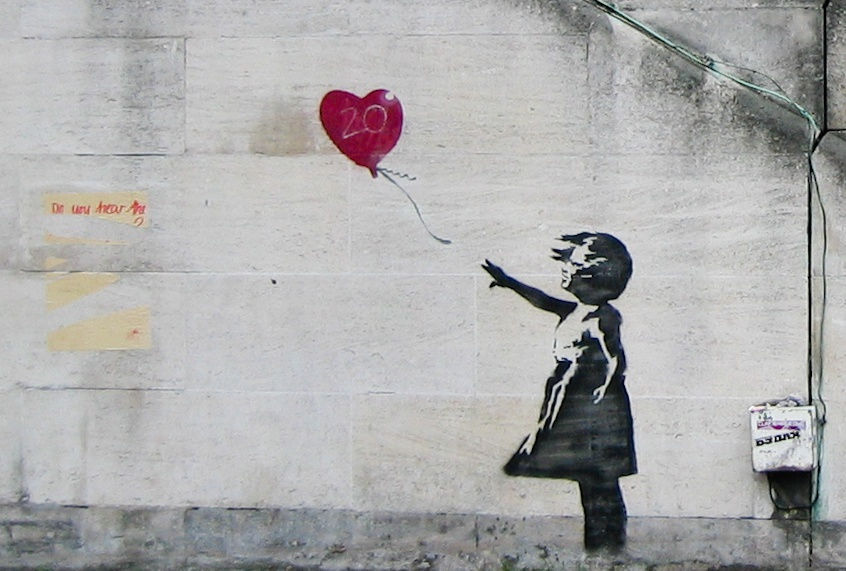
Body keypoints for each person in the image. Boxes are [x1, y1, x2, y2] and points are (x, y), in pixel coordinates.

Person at [481, 232, 635, 551]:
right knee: (591, 478)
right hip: (572, 397)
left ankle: (607, 544)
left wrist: (602, 389)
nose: (564, 268)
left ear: (594, 273)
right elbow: (542, 300)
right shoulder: (574, 310)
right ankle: (603, 543)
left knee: (599, 480)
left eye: (573, 263)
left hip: (593, 407)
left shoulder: (602, 316)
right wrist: (509, 282)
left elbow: (615, 358)